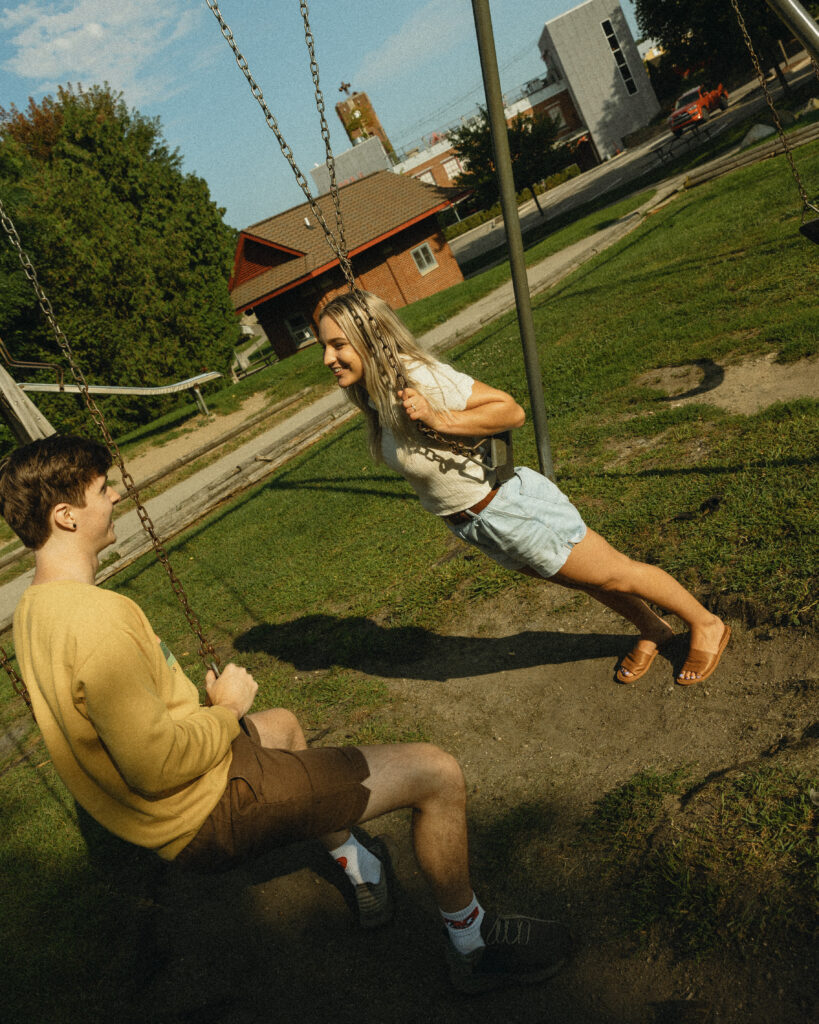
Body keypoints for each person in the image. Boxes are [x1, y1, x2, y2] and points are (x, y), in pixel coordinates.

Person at [0, 433, 571, 995]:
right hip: (206, 810)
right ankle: (474, 945)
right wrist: (224, 711)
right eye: (103, 489)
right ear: (66, 516)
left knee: (284, 725)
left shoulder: (35, 609)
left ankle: (358, 866)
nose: (115, 497)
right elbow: (156, 765)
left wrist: (212, 717)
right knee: (438, 773)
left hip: (168, 804)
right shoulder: (97, 620)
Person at [318, 290, 731, 686]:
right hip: (477, 523)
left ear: (371, 339)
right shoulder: (375, 394)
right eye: (325, 346)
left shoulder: (422, 377)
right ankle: (652, 628)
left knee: (617, 574)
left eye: (338, 345)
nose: (328, 358)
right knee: (587, 581)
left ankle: (705, 623)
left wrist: (439, 419)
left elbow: (510, 411)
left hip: (510, 508)